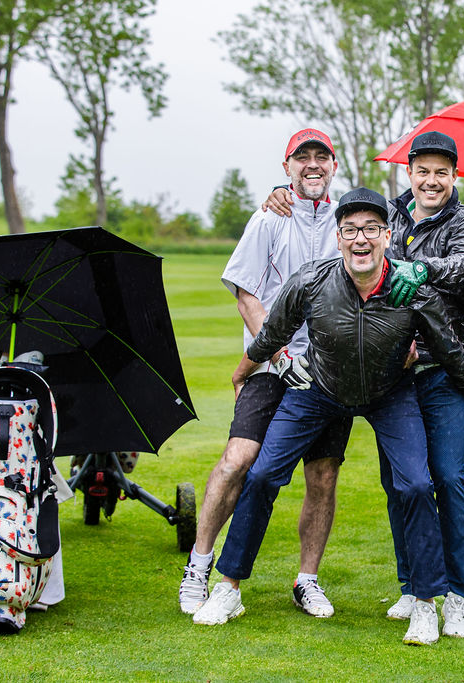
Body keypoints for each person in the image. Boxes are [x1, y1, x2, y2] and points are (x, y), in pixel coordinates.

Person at [192, 188, 464, 647]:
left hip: (390, 395)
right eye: (350, 230)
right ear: (338, 238)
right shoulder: (311, 280)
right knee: (263, 473)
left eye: (370, 229)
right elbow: (272, 333)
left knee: (415, 484)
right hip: (320, 391)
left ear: (387, 236)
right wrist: (243, 370)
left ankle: (425, 603)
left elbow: (447, 348)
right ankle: (228, 587)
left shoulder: (412, 290)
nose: (360, 239)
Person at [262, 131, 464, 639]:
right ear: (410, 173)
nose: (432, 181)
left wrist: (419, 268)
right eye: (423, 171)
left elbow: (462, 267)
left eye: (442, 172)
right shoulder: (393, 215)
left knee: (446, 479)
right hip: (394, 373)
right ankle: (413, 586)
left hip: (442, 369)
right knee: (400, 483)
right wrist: (282, 192)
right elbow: (352, 228)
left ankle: (457, 594)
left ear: (455, 176)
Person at [178, 128, 352, 620]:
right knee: (238, 459)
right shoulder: (269, 217)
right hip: (271, 364)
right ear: (287, 166)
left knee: (323, 474)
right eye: (303, 157)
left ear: (334, 165)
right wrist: (277, 355)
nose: (313, 164)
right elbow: (246, 294)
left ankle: (307, 580)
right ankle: (198, 565)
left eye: (322, 157)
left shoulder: (347, 220)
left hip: (329, 369)